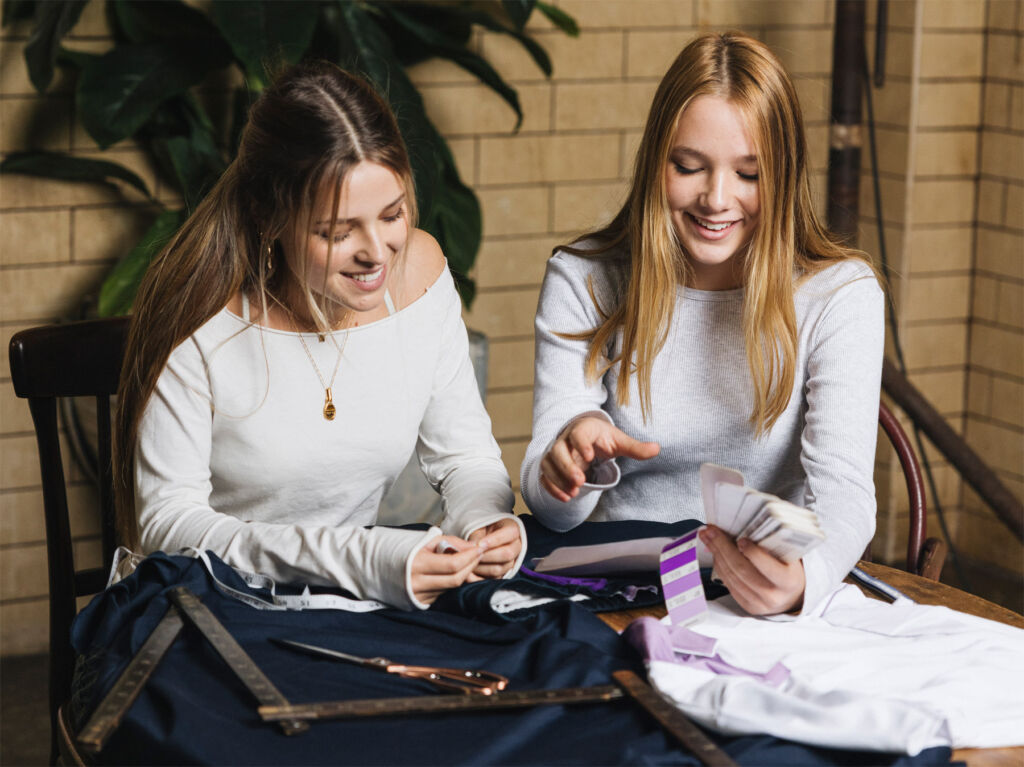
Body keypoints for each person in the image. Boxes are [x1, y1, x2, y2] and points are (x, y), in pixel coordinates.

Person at [113, 61, 524, 610]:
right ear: (268, 218)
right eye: (337, 232)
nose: (376, 253)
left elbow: (466, 458)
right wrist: (364, 558)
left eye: (392, 214)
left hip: (353, 604)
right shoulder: (198, 313)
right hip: (211, 607)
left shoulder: (420, 275)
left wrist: (486, 521)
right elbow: (170, 526)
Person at [520, 32, 883, 617]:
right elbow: (554, 513)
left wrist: (803, 581)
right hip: (606, 594)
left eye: (749, 174)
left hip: (752, 594)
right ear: (656, 162)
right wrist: (570, 462)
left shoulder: (840, 294)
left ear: (785, 177)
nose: (717, 199)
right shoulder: (583, 277)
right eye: (689, 167)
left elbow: (844, 495)